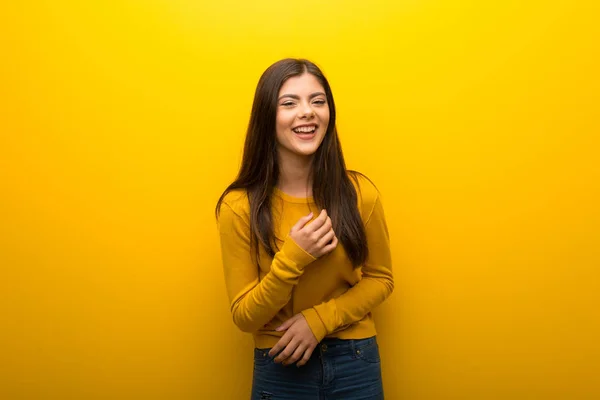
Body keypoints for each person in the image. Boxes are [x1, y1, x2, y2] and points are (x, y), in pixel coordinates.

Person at [215, 58, 394, 400]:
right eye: (289, 103)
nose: (308, 112)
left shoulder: (360, 194)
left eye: (317, 101)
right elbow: (245, 316)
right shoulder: (239, 207)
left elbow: (381, 279)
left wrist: (319, 320)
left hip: (355, 361)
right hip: (279, 363)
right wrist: (294, 257)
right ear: (267, 118)